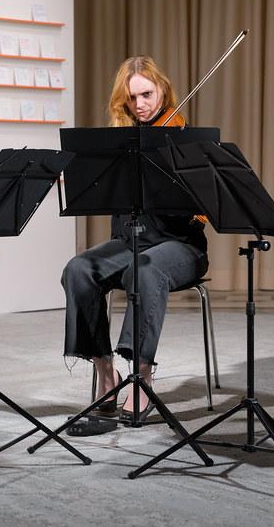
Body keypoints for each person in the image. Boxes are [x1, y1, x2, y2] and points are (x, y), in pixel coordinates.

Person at [61, 55, 208, 436]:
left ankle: (142, 377)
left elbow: (205, 208)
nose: (140, 105)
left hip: (180, 246)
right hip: (128, 242)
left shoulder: (183, 138)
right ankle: (105, 373)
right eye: (132, 98)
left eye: (147, 94)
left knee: (145, 270)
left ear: (163, 90)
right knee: (78, 270)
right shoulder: (119, 143)